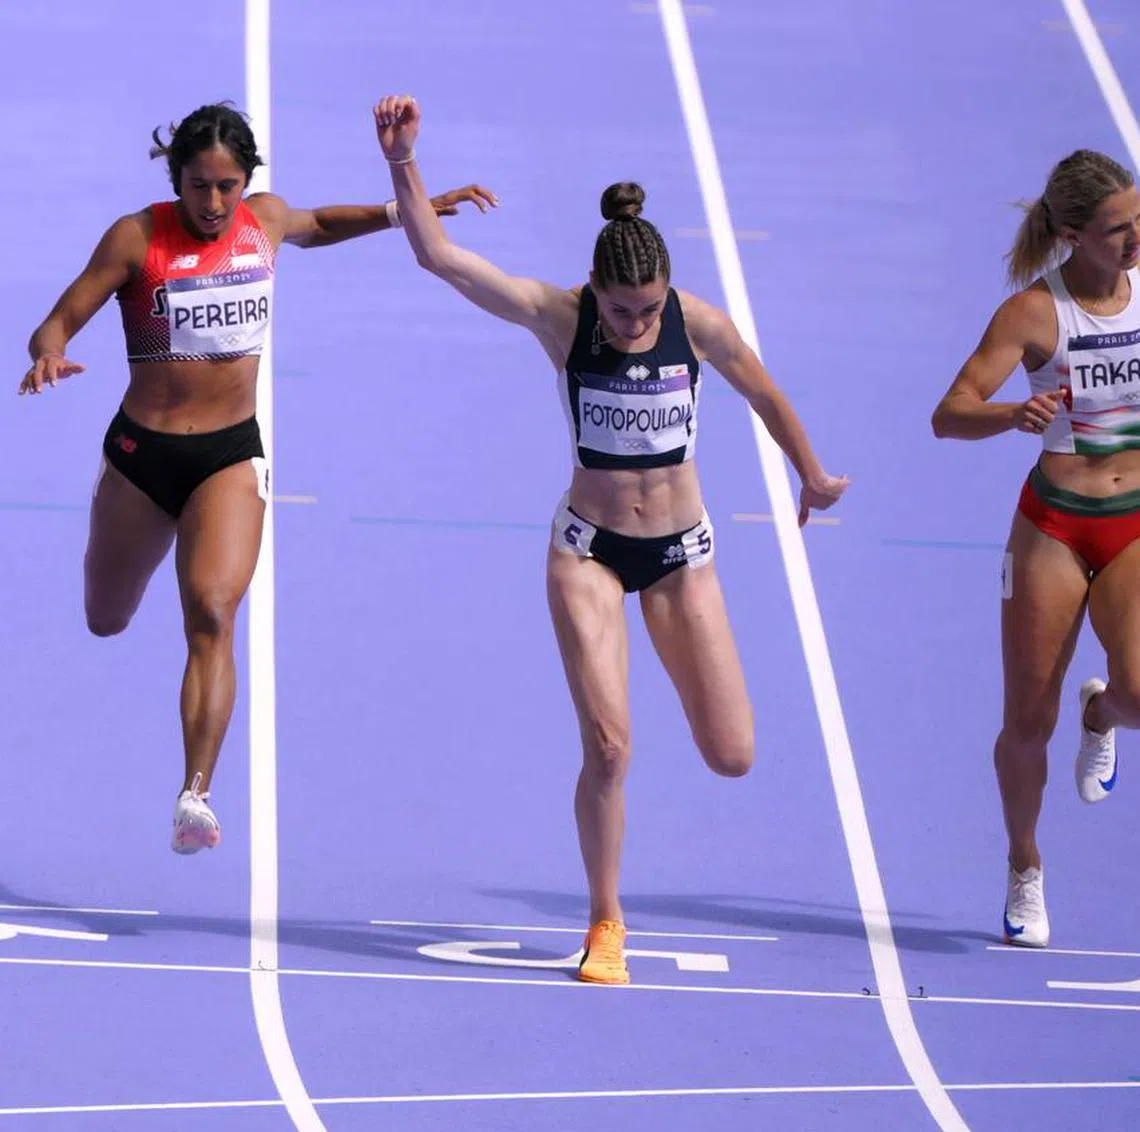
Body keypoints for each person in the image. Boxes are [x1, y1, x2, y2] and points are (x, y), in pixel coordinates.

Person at [372, 93, 849, 984]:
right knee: (610, 746)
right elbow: (440, 256)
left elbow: (767, 395)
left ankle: (613, 897)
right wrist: (404, 163)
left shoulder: (696, 324)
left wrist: (810, 473)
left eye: (647, 310)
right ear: (596, 292)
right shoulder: (560, 317)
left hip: (680, 557)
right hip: (587, 549)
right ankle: (605, 923)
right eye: (623, 312)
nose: (635, 326)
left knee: (733, 754)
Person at [19, 102, 495, 855]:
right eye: (200, 186)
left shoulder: (261, 222)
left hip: (228, 458)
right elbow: (59, 318)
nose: (214, 204)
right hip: (142, 460)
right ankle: (121, 579)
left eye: (228, 186)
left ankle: (195, 794)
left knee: (211, 610)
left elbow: (322, 224)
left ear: (247, 182)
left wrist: (410, 209)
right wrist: (47, 353)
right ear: (177, 178)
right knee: (104, 617)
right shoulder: (136, 238)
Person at [932, 150, 1140, 948]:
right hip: (1054, 525)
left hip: (1132, 525)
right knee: (1026, 721)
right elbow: (949, 414)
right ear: (1071, 234)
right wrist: (1011, 415)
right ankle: (1025, 863)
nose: (1134, 240)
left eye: (1138, 221)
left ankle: (1104, 713)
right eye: (1118, 230)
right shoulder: (1032, 315)